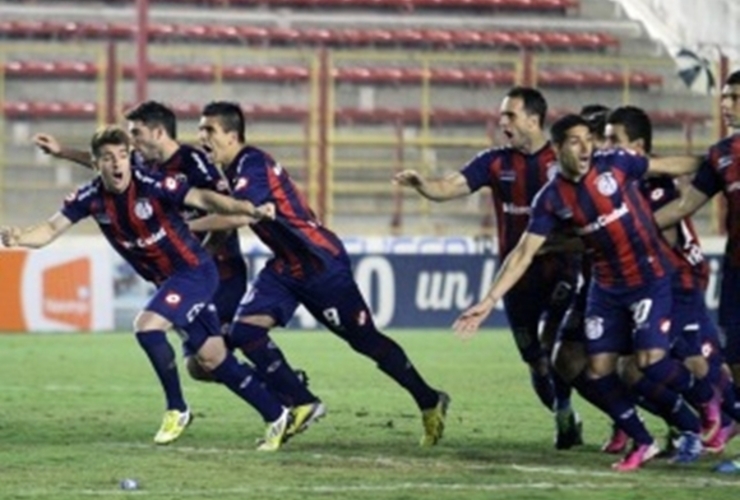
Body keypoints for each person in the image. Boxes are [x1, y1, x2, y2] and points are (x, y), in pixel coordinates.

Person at [33, 102, 319, 443]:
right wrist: (63, 152)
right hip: (179, 271)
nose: (132, 143)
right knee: (205, 361)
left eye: (136, 134)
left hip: (215, 269)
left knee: (213, 339)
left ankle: (291, 395)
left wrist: (199, 237)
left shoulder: (192, 163)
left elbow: (226, 209)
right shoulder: (142, 167)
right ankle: (277, 408)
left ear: (157, 132)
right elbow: (108, 165)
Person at [190, 100, 449, 446]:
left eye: (209, 129)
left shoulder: (252, 163)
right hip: (285, 265)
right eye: (200, 129)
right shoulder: (233, 171)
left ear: (232, 135)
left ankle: (429, 400)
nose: (201, 136)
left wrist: (188, 228)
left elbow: (240, 216)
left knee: (366, 340)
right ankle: (301, 401)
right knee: (243, 332)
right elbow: (230, 223)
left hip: (320, 263)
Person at [453, 114, 703, 471]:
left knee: (649, 364)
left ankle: (701, 416)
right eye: (576, 140)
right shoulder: (551, 199)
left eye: (591, 138)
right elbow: (523, 252)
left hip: (650, 279)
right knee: (591, 367)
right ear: (557, 150)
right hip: (603, 287)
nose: (587, 147)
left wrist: (716, 163)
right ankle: (640, 437)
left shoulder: (615, 166)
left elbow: (668, 167)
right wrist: (488, 301)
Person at [394, 87, 582, 449]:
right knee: (535, 361)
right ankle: (564, 413)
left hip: (561, 271)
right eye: (502, 115)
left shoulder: (562, 159)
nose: (502, 122)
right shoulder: (496, 162)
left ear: (533, 119)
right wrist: (423, 186)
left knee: (553, 345)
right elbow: (450, 186)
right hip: (515, 279)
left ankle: (574, 413)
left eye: (510, 115)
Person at [652, 70, 740, 473]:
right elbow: (685, 205)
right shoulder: (721, 155)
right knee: (735, 358)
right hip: (736, 272)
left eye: (736, 97)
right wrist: (636, 223)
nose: (726, 104)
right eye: (724, 96)